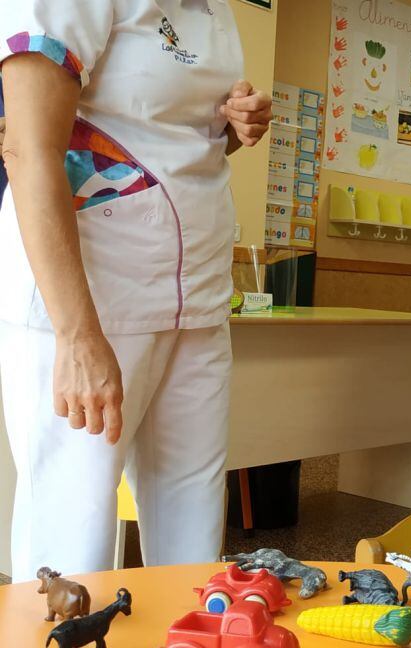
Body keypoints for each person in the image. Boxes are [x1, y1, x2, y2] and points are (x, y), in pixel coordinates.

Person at [0, 0, 271, 581]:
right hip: (93, 303)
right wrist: (77, 337)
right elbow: (28, 149)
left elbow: (167, 134)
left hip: (195, 297)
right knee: (72, 539)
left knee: (192, 534)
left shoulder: (217, 8)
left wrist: (231, 126)